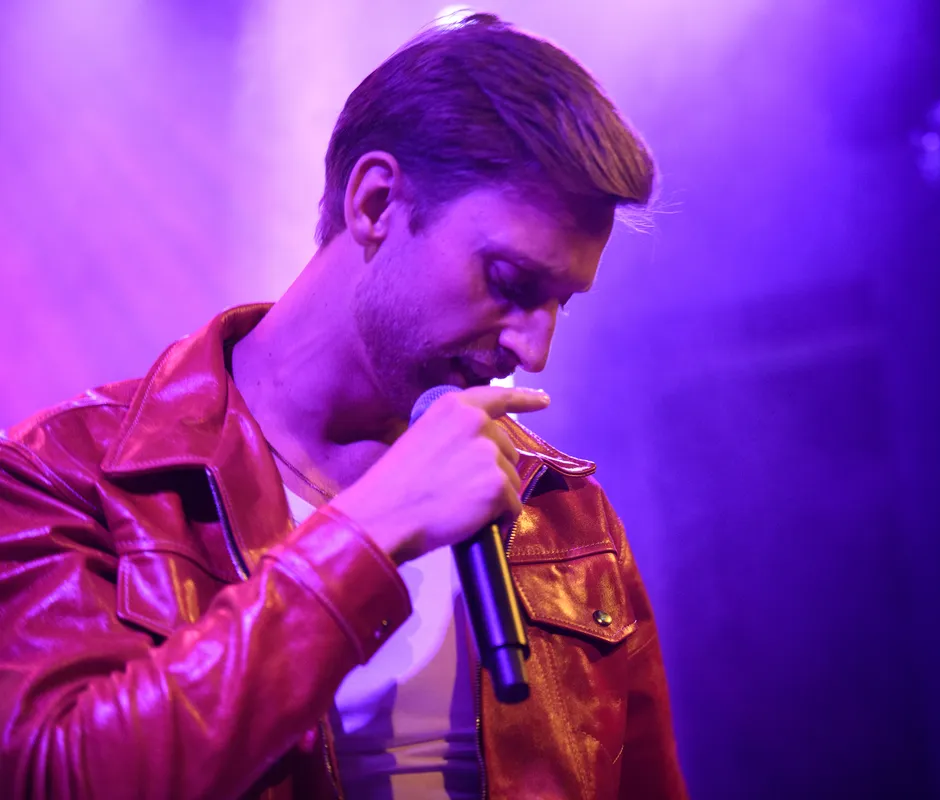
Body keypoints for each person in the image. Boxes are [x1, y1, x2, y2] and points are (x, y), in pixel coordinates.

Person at [0, 13, 686, 800]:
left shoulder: (565, 516)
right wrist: (367, 534)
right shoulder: (66, 476)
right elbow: (58, 776)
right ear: (376, 201)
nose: (534, 351)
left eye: (560, 303)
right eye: (510, 282)